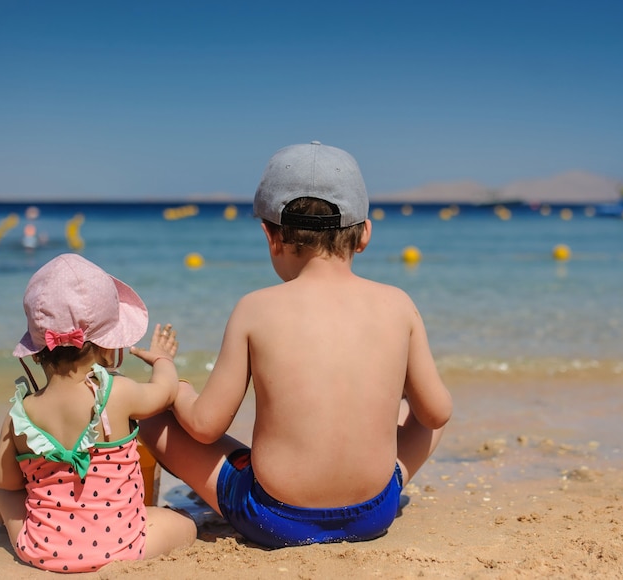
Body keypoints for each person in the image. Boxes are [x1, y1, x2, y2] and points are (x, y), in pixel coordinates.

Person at [140, 141, 452, 548]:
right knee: (429, 415)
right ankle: (370, 484)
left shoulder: (254, 308)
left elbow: (204, 427)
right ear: (365, 235)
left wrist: (176, 389)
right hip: (373, 512)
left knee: (153, 419)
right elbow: (436, 413)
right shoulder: (398, 304)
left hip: (274, 517)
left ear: (271, 236)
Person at [0, 253, 196, 573]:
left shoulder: (22, 413)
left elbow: (5, 480)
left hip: (41, 550)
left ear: (38, 351)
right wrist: (162, 361)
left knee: (1, 494)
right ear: (109, 345)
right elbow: (165, 393)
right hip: (120, 547)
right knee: (185, 524)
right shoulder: (117, 393)